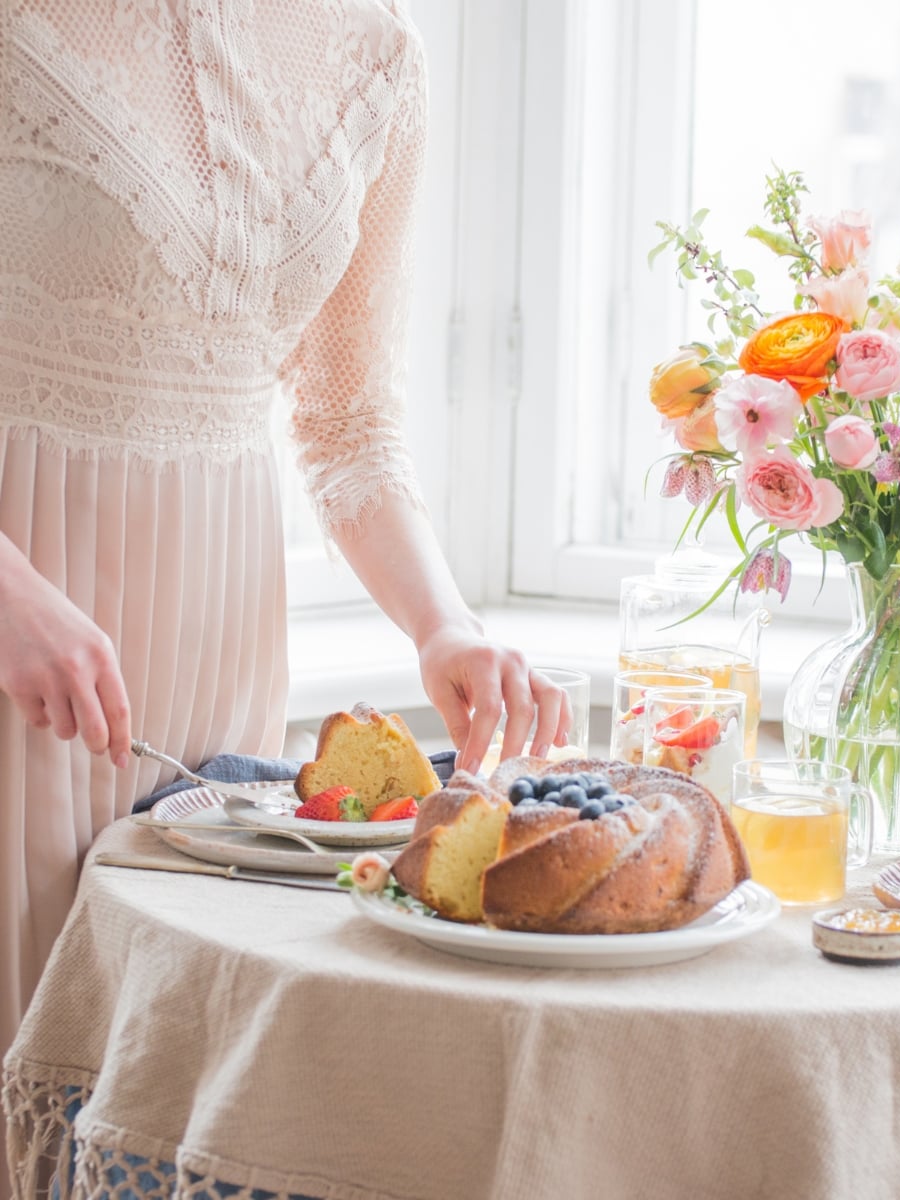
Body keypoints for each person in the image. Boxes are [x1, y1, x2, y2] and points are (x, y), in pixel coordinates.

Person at [0, 0, 570, 1138]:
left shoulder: (378, 52)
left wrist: (442, 624)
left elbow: (348, 417)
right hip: (19, 615)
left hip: (210, 658)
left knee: (152, 1083)